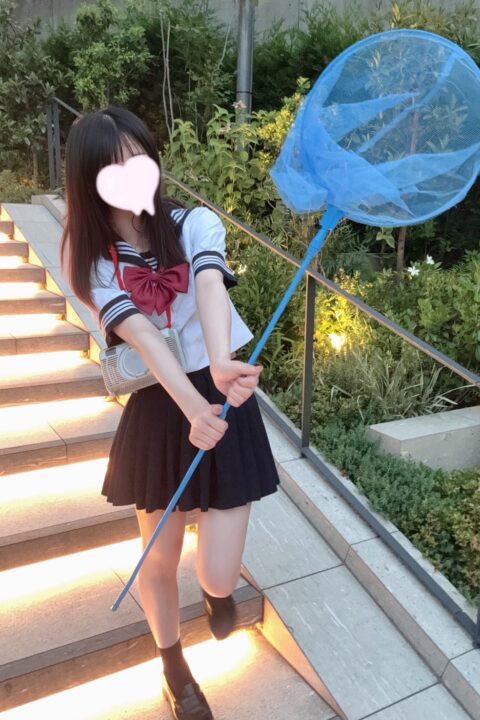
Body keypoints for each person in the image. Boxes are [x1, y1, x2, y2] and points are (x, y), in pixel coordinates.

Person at [60, 106, 280, 720]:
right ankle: (173, 665)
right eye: (113, 167)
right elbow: (144, 337)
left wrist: (220, 364)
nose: (133, 174)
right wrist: (192, 408)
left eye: (139, 159)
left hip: (221, 392)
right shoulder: (90, 257)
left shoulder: (195, 223)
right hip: (160, 406)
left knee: (218, 572)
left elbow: (208, 285)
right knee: (158, 555)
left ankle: (215, 595)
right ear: (88, 179)